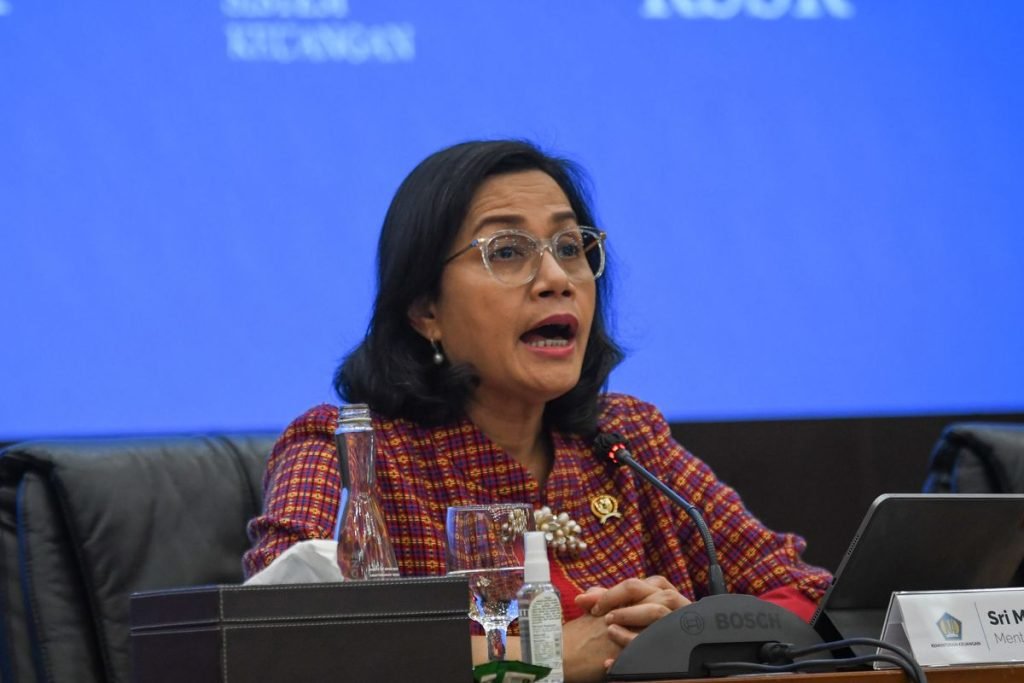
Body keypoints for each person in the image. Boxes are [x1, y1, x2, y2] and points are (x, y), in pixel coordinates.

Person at [243, 139, 832, 682]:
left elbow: (802, 594)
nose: (556, 278)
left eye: (570, 248)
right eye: (506, 251)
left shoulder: (625, 438)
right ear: (425, 310)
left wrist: (689, 632)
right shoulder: (347, 452)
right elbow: (278, 644)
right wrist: (543, 656)